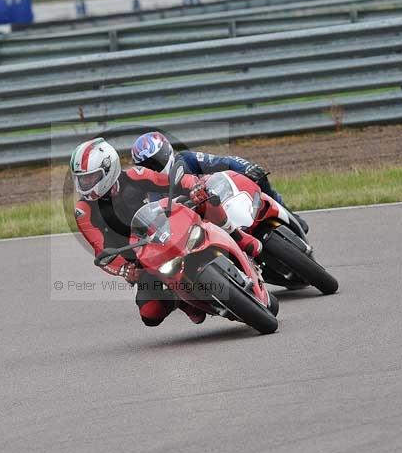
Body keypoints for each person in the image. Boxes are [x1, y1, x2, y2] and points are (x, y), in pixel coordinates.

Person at [71, 137, 262, 327]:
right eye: (81, 179)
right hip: (142, 257)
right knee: (150, 314)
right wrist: (124, 269)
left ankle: (240, 237)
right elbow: (101, 250)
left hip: (171, 224)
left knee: (206, 199)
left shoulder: (135, 175)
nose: (85, 184)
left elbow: (173, 180)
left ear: (108, 168)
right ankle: (182, 302)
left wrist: (193, 186)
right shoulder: (83, 211)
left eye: (90, 177)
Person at [130, 131, 309, 233]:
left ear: (167, 151)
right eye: (147, 165)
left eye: (156, 160)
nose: (154, 167)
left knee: (258, 177)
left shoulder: (185, 160)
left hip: (223, 200)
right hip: (201, 229)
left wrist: (246, 168)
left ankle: (286, 210)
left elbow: (223, 162)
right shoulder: (150, 192)